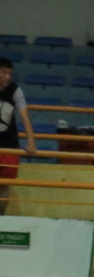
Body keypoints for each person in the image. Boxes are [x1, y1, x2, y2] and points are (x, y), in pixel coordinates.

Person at [0, 57, 36, 216]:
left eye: (10, 73)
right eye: (4, 73)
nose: (8, 77)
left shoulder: (15, 90)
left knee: (4, 186)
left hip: (9, 145)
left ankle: (1, 219)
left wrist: (31, 142)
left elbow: (25, 118)